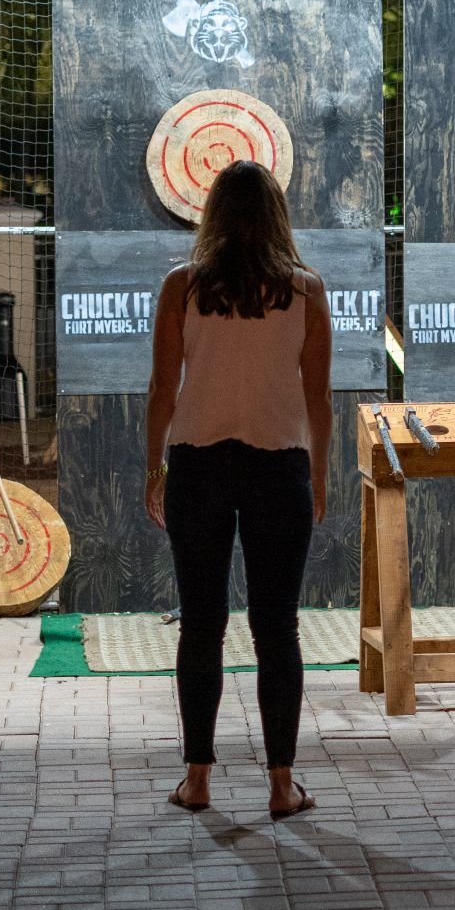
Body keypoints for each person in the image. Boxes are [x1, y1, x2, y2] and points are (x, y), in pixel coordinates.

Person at [143, 159, 332, 820]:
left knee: (202, 623)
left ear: (213, 215)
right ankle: (282, 785)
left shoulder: (183, 286)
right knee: (277, 627)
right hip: (280, 465)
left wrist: (153, 468)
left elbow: (163, 390)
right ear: (277, 216)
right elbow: (319, 398)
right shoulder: (306, 290)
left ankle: (197, 778)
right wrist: (320, 476)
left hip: (197, 464)